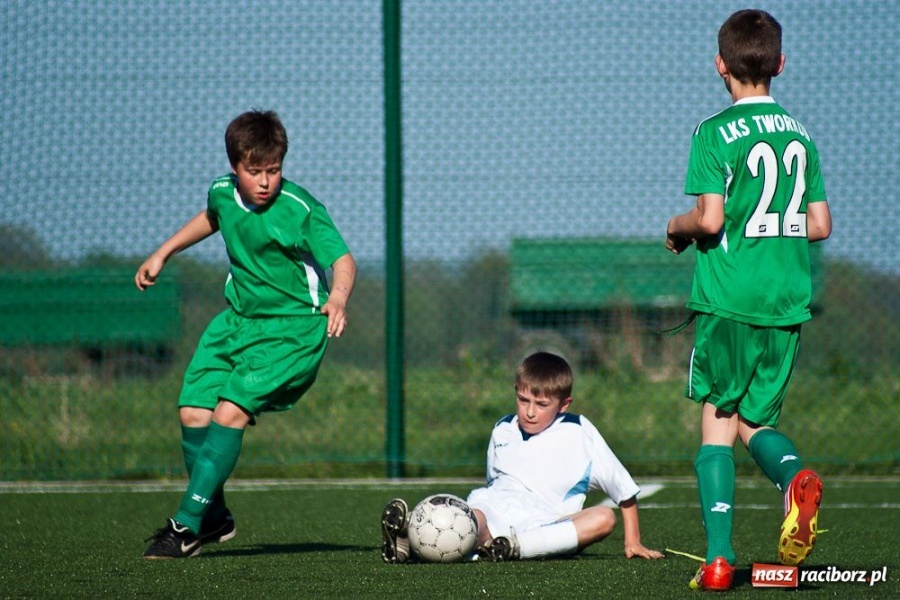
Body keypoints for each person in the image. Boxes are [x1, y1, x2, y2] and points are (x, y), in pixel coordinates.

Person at [136, 109, 357, 559]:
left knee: (230, 411)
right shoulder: (221, 192)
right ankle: (213, 516)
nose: (264, 181)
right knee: (193, 412)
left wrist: (338, 299)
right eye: (253, 171)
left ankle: (185, 526)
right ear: (234, 167)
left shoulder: (300, 208)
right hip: (235, 323)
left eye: (273, 170)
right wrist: (163, 253)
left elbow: (343, 260)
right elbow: (213, 217)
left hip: (292, 331)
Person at [664, 9, 832, 591]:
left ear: (720, 65)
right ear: (780, 64)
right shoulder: (801, 134)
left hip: (729, 297)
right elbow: (820, 224)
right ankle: (792, 479)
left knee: (717, 424)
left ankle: (717, 556)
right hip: (785, 301)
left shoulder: (713, 132)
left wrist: (678, 226)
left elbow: (710, 219)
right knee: (754, 421)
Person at [381, 351, 663, 564]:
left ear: (564, 405)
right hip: (494, 510)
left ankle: (513, 548)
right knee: (469, 518)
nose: (530, 412)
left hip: (547, 525)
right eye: (523, 400)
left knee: (604, 518)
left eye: (542, 405)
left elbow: (623, 489)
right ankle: (409, 540)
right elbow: (492, 483)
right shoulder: (503, 428)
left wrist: (633, 541)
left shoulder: (579, 431)